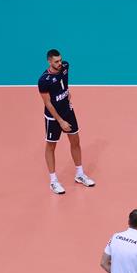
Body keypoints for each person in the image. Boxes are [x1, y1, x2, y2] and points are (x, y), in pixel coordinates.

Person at [38, 49, 95, 195]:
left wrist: (66, 92)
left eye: (60, 60)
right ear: (49, 61)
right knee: (51, 146)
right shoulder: (44, 80)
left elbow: (63, 83)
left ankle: (79, 174)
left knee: (75, 141)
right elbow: (48, 103)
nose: (60, 63)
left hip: (68, 111)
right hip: (53, 117)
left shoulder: (65, 66)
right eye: (56, 61)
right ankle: (53, 181)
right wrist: (61, 121)